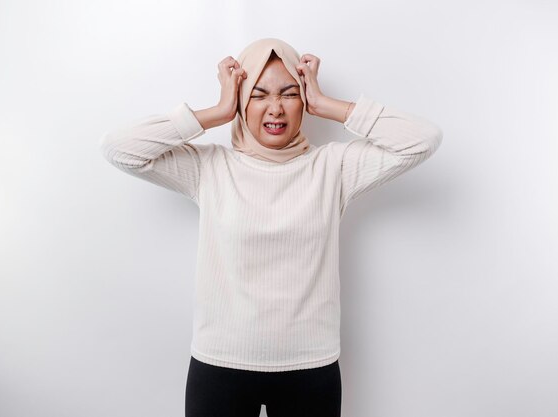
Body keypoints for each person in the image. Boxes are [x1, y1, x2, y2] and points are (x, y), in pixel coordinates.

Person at [99, 37, 443, 417]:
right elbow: (120, 148)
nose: (275, 109)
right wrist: (216, 111)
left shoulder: (334, 168)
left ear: (304, 100)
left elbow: (422, 140)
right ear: (241, 100)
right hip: (219, 365)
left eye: (290, 94)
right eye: (258, 95)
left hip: (310, 368)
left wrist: (328, 105)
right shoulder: (209, 168)